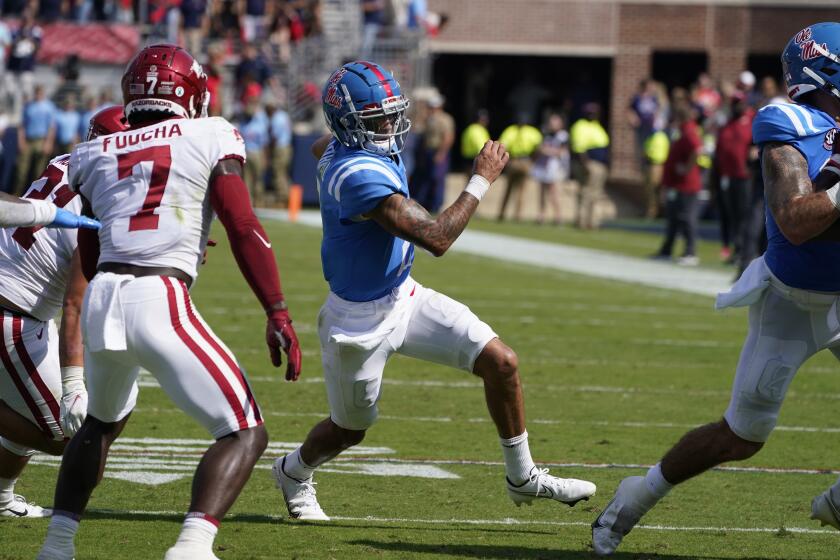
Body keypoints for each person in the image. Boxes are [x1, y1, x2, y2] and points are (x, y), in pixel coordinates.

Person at [273, 61, 596, 522]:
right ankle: (293, 471)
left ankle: (522, 477)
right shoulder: (358, 173)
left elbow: (319, 145)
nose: (390, 126)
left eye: (391, 114)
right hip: (358, 320)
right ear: (350, 122)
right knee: (350, 430)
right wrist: (481, 178)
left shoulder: (340, 147)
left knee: (501, 361)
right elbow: (437, 239)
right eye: (377, 118)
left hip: (404, 295)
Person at [36, 44, 302, 560]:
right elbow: (243, 225)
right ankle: (193, 546)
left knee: (100, 425)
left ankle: (57, 544)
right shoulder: (212, 131)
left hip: (104, 297)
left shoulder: (93, 151)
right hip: (158, 295)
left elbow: (91, 254)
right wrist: (276, 310)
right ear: (192, 93)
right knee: (245, 431)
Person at [592, 23, 840, 556]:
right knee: (742, 436)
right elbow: (796, 219)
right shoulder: (788, 121)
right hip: (790, 302)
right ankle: (635, 497)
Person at [0, 106, 125, 520]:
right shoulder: (101, 201)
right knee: (60, 433)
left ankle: (1, 496)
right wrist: (74, 380)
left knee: (32, 406)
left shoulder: (65, 162)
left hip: (23, 304)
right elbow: (76, 302)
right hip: (14, 313)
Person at [652, 104, 703, 266]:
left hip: (686, 185)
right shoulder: (681, 131)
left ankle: (690, 252)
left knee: (687, 218)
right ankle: (666, 250)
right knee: (673, 218)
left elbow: (697, 149)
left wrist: (687, 168)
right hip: (676, 184)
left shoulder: (688, 131)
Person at [715, 92, 755, 263]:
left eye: (740, 103)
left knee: (744, 215)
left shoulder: (751, 121)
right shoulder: (728, 124)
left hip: (744, 176)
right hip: (727, 175)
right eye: (735, 103)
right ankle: (736, 249)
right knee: (731, 214)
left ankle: (744, 251)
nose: (738, 106)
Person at [410, 91, 454, 213]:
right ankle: (426, 204)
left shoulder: (445, 119)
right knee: (426, 178)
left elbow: (448, 137)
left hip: (438, 151)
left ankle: (436, 204)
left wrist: (441, 153)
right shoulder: (429, 119)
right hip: (428, 152)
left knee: (437, 178)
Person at [569, 103, 609, 229]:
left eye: (595, 112)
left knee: (596, 194)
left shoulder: (597, 126)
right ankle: (581, 221)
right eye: (590, 113)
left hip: (600, 164)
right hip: (589, 163)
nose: (593, 115)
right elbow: (579, 148)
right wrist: (586, 164)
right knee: (586, 192)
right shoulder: (580, 126)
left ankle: (593, 222)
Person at [496, 115, 542, 222]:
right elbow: (539, 147)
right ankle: (514, 215)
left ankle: (506, 214)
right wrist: (532, 160)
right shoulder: (531, 132)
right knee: (517, 190)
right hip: (522, 160)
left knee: (513, 190)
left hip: (516, 160)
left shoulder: (512, 130)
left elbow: (502, 144)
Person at [16, 85, 56, 195]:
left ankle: (36, 196)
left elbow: (51, 127)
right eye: (36, 92)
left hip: (41, 140)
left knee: (39, 172)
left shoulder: (49, 106)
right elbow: (22, 125)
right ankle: (17, 194)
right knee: (21, 171)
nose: (38, 95)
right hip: (28, 140)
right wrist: (21, 141)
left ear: (43, 93)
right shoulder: (28, 106)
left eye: (40, 93)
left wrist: (48, 142)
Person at [530, 112, 569, 225]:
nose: (552, 124)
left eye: (555, 121)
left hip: (554, 167)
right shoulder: (546, 134)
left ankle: (558, 217)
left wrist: (547, 151)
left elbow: (561, 152)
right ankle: (541, 215)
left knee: (553, 193)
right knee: (541, 193)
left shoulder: (563, 136)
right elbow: (540, 148)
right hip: (543, 166)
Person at [266, 98, 292, 207]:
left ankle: (282, 199)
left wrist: (269, 151)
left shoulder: (276, 118)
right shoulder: (284, 115)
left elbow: (274, 137)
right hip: (288, 146)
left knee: (278, 173)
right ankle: (287, 197)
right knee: (284, 173)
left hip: (280, 148)